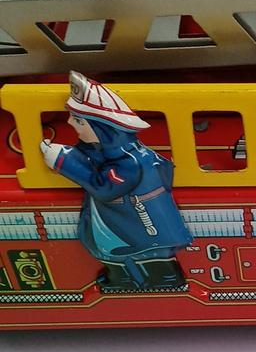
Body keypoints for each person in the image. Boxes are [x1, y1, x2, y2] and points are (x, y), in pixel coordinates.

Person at [39, 71, 192, 291]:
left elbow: (104, 187)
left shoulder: (131, 163)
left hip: (141, 218)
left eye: (79, 120)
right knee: (111, 249)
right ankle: (121, 279)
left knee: (151, 254)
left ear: (102, 129)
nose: (70, 122)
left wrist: (63, 161)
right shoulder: (107, 151)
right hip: (117, 216)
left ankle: (166, 280)